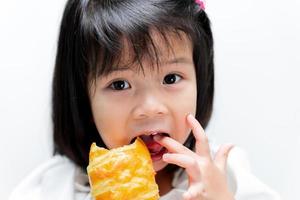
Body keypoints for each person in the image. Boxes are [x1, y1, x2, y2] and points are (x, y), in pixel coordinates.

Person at [9, 0, 281, 199]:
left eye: (171, 78)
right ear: (84, 99)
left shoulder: (226, 177)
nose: (151, 108)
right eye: (120, 84)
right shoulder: (53, 188)